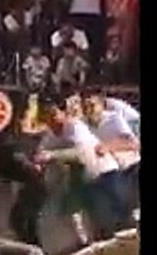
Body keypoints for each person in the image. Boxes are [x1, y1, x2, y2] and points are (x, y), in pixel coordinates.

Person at [34, 95, 133, 241]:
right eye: (46, 116)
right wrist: (38, 162)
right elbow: (41, 152)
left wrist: (52, 155)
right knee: (97, 218)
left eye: (54, 114)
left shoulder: (74, 127)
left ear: (62, 113)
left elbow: (81, 153)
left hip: (105, 171)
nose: (51, 119)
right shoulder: (50, 137)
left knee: (121, 211)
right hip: (84, 180)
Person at [82, 89, 141, 222]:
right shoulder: (83, 125)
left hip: (129, 168)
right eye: (85, 106)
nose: (89, 110)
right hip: (107, 173)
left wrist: (109, 147)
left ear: (102, 105)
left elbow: (133, 143)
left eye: (92, 105)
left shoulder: (113, 118)